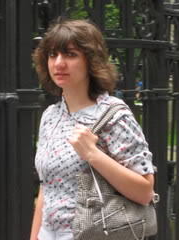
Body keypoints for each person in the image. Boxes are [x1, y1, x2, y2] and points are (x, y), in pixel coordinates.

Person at [30, 18, 155, 240]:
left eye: (70, 54)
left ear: (91, 61)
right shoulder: (50, 116)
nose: (59, 63)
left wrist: (93, 154)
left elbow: (145, 192)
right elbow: (46, 187)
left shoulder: (114, 115)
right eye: (52, 54)